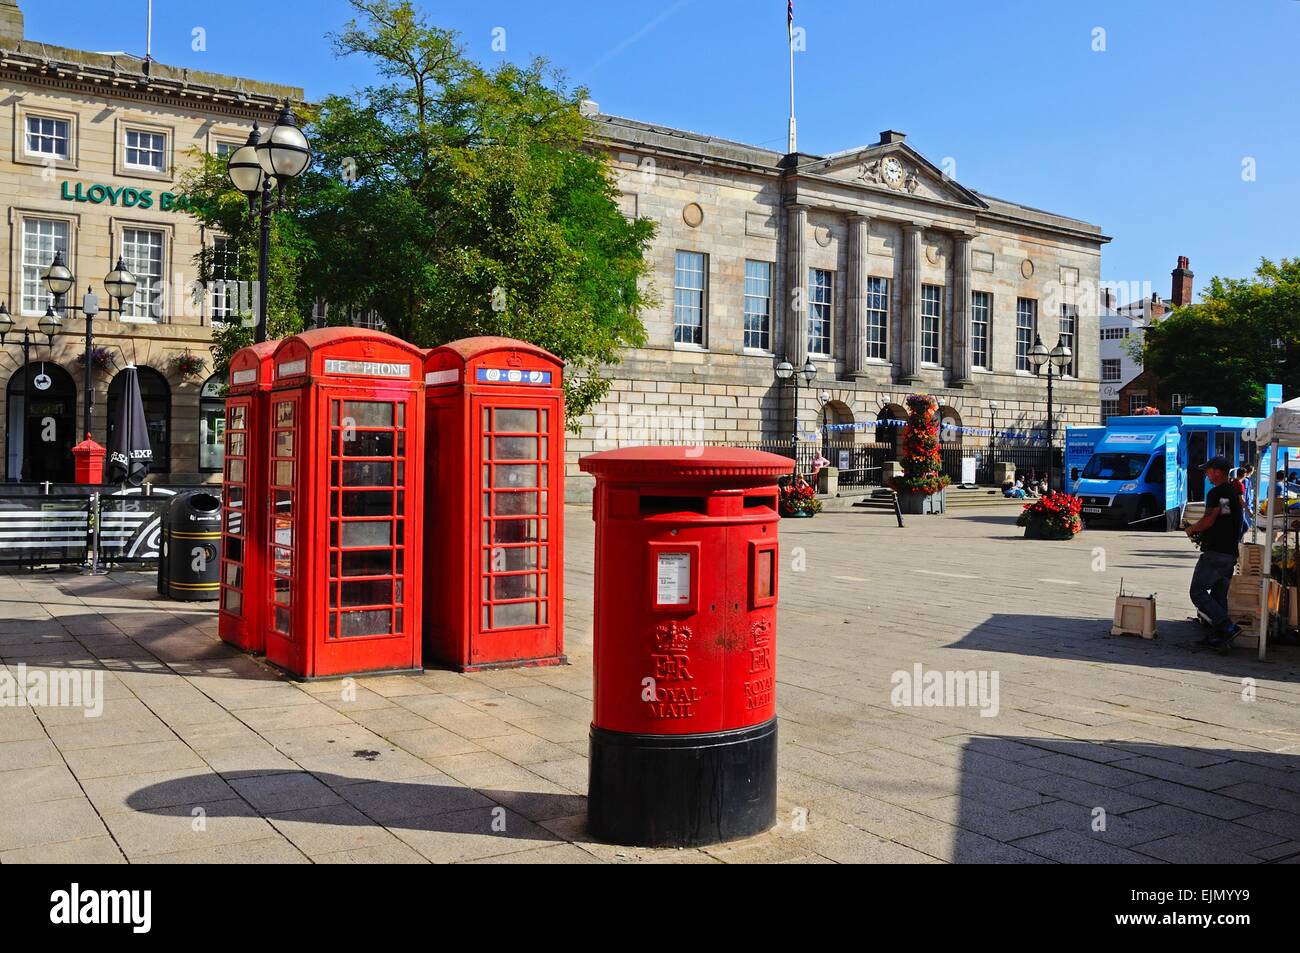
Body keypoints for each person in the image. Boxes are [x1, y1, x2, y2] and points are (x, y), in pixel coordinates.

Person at [1184, 455, 1244, 652]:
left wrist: (1193, 529)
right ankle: (1220, 638)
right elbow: (1227, 518)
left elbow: (1209, 520)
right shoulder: (1229, 493)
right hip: (1229, 553)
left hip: (1217, 552)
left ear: (1218, 472)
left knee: (1197, 592)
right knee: (1219, 596)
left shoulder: (1217, 492)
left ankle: (1227, 626)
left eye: (1208, 470)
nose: (1206, 474)